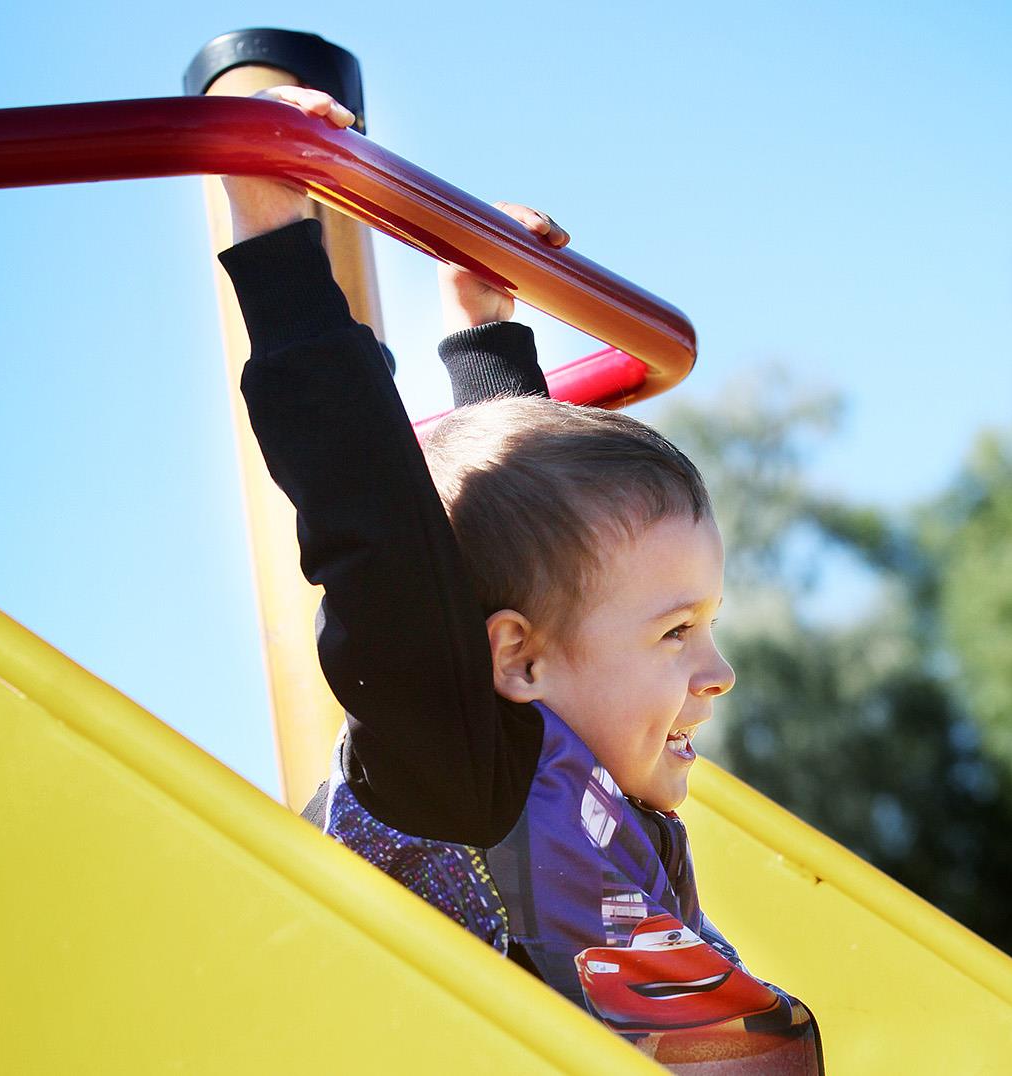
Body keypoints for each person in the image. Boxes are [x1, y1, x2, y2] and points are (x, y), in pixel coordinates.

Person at [220, 86, 823, 1073]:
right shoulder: (457, 772)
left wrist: (488, 332)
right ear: (514, 657)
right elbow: (375, 524)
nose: (718, 671)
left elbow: (540, 546)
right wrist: (272, 233)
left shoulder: (588, 783)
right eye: (675, 630)